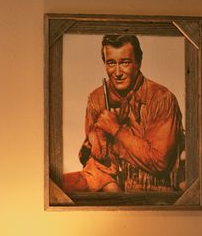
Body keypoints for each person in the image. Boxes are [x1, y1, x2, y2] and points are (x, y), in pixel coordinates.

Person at [63, 33, 184, 194]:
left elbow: (160, 163)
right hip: (111, 192)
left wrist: (116, 130)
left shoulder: (161, 99)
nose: (117, 72)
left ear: (138, 63)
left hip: (156, 197)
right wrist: (112, 190)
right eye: (111, 63)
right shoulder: (96, 98)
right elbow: (97, 160)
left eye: (125, 62)